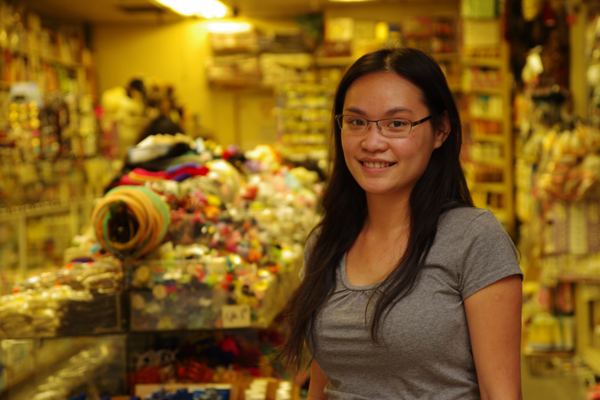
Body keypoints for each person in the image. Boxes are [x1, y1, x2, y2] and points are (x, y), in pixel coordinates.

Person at [280, 47, 523, 400]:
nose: (372, 142)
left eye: (396, 124)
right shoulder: (325, 243)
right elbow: (325, 383)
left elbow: (500, 394)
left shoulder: (473, 238)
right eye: (356, 122)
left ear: (440, 130)